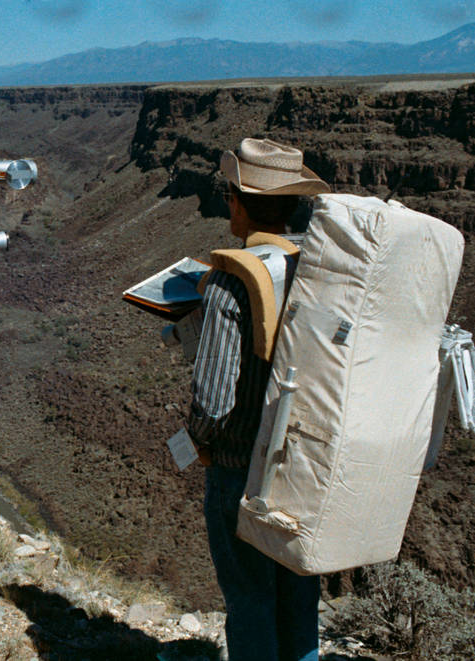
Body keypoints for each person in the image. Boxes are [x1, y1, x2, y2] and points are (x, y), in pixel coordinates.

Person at [187, 138, 330, 661]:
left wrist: (200, 444)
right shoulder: (319, 272)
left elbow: (215, 399)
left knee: (249, 600)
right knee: (297, 597)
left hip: (240, 469)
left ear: (237, 200)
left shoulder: (235, 277)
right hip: (302, 466)